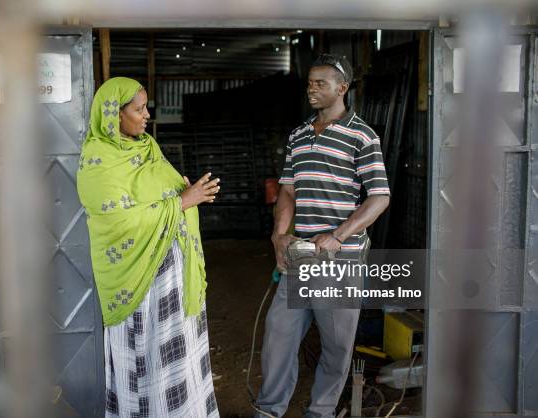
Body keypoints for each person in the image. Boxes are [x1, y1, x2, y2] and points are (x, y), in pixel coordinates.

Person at [254, 54, 391, 418]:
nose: (311, 89)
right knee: (277, 339)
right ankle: (269, 410)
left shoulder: (362, 136)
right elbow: (287, 190)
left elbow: (379, 197)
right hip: (299, 257)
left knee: (335, 348)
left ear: (341, 88)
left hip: (340, 261)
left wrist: (339, 235)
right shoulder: (298, 135)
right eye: (310, 83)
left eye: (320, 83)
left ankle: (321, 411)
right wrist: (279, 235)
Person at [77, 77, 220, 418]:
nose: (146, 116)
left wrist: (183, 190)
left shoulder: (146, 147)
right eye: (138, 109)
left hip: (172, 276)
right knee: (148, 354)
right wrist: (182, 202)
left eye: (146, 108)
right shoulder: (98, 160)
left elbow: (164, 190)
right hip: (140, 282)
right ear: (114, 114)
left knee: (177, 351)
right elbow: (116, 220)